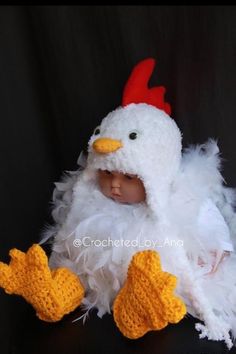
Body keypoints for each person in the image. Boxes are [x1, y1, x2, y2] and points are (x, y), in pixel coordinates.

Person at [1, 58, 236, 349]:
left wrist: (218, 250)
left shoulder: (184, 199)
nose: (114, 184)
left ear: (156, 178)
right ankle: (55, 294)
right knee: (72, 272)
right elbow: (71, 242)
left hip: (148, 276)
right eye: (106, 173)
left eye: (128, 177)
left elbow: (210, 220)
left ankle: (139, 305)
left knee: (161, 282)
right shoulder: (90, 199)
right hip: (97, 280)